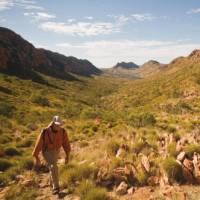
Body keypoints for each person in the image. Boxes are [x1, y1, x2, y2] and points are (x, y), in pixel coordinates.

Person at [32, 116, 71, 194]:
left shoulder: (62, 131)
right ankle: (56, 187)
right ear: (52, 123)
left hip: (56, 151)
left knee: (52, 167)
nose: (58, 126)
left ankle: (51, 182)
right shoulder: (45, 132)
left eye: (60, 125)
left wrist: (67, 155)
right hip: (47, 152)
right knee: (54, 166)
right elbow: (38, 144)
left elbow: (66, 144)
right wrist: (36, 156)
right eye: (57, 125)